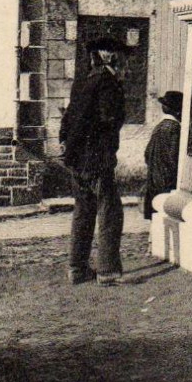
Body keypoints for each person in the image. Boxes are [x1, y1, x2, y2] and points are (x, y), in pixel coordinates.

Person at [59, 36, 129, 285]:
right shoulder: (107, 83)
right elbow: (107, 120)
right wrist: (106, 150)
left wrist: (68, 145)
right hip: (97, 158)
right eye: (122, 56)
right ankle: (108, 270)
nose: (125, 63)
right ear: (111, 57)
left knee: (83, 210)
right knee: (110, 211)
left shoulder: (83, 81)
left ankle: (77, 269)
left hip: (77, 158)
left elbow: (67, 119)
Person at [143, 90, 183, 221]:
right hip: (167, 181)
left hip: (154, 179)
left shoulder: (159, 127)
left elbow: (147, 153)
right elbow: (174, 157)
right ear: (178, 112)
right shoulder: (174, 128)